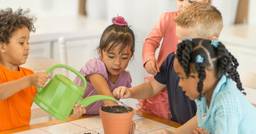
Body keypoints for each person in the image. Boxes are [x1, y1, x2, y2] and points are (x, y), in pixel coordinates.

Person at [113, 3, 223, 124]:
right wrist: (131, 92)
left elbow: (206, 115)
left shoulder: (213, 72)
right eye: (179, 39)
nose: (179, 45)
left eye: (186, 41)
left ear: (211, 40)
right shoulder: (172, 59)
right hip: (176, 126)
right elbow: (152, 87)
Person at [141, 0, 211, 119]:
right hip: (161, 84)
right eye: (180, 0)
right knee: (158, 122)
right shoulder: (167, 18)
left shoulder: (204, 28)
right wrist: (148, 59)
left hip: (185, 88)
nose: (182, 4)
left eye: (189, 1)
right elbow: (150, 42)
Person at [174, 38, 256, 134]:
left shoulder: (226, 104)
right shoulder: (205, 94)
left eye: (182, 77)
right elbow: (203, 120)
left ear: (203, 75)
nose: (179, 84)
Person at [74, 16, 135, 115]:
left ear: (131, 56)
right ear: (100, 53)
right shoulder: (94, 68)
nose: (117, 63)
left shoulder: (125, 78)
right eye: (111, 56)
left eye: (124, 57)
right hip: (71, 116)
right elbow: (109, 103)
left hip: (96, 120)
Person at [0, 8, 49, 131]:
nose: (27, 47)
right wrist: (28, 81)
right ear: (2, 46)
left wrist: (73, 114)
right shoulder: (29, 78)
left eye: (28, 42)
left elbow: (50, 104)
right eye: (21, 43)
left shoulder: (29, 75)